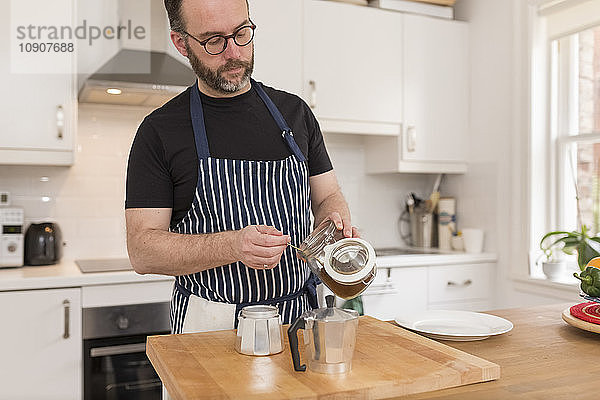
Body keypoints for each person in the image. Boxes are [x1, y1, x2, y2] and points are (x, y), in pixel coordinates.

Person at [125, 0, 358, 334]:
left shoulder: (295, 113)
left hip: (298, 320)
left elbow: (327, 196)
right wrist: (233, 245)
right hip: (210, 327)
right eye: (214, 41)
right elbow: (142, 251)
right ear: (181, 43)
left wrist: (332, 228)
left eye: (242, 33)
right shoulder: (160, 131)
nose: (233, 53)